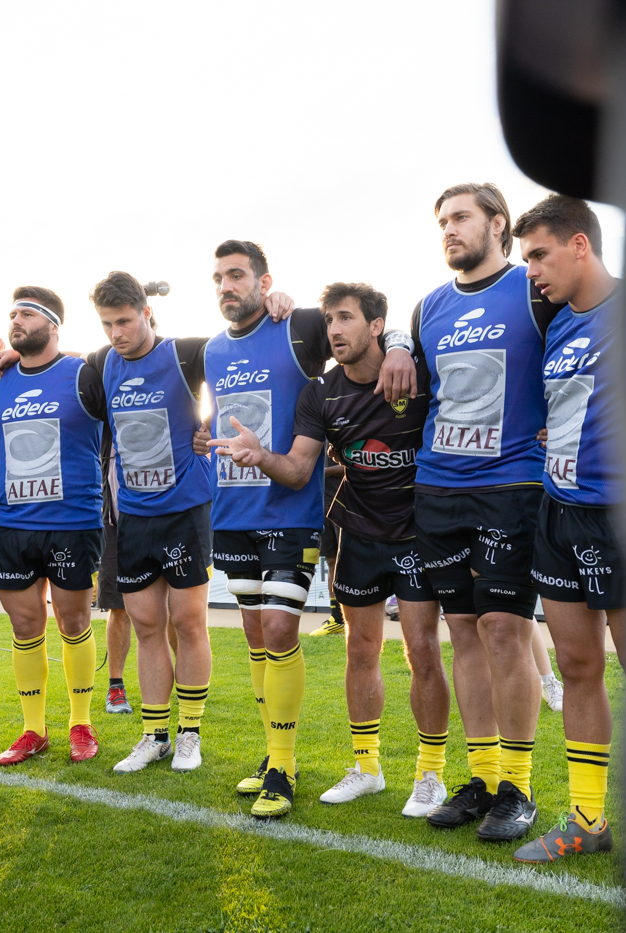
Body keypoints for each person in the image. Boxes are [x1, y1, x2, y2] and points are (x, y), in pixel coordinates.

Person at [211, 282, 454, 818]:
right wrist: (260, 456)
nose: (335, 330)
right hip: (358, 534)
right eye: (329, 321)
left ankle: (430, 774)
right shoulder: (320, 393)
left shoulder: (416, 374)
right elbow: (299, 471)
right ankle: (366, 766)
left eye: (346, 318)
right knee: (360, 650)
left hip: (417, 535)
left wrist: (400, 347)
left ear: (374, 326)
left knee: (422, 650)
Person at [409, 183, 566, 843]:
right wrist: (393, 339)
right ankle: (481, 775)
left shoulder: (533, 291)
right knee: (464, 633)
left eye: (461, 217)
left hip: (513, 487)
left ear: (497, 224)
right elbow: (414, 379)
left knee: (506, 630)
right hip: (438, 488)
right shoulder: (427, 309)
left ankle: (519, 788)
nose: (449, 229)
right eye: (442, 220)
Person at [507, 195, 626, 864]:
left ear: (580, 244)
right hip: (558, 513)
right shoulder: (556, 323)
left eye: (539, 254)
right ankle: (588, 817)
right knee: (579, 665)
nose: (531, 270)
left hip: (623, 516)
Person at [85, 271, 217, 773]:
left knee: (187, 621)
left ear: (146, 312)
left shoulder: (186, 353)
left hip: (185, 508)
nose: (117, 332)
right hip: (133, 514)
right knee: (145, 625)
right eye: (106, 324)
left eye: (124, 320)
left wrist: (214, 426)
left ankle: (189, 734)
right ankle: (154, 734)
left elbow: (239, 367)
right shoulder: (102, 365)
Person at [0, 288, 106, 766]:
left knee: (73, 623)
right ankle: (33, 730)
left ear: (53, 325)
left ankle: (81, 723)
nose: (15, 320)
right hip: (12, 523)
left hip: (72, 522)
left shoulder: (83, 373)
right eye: (11, 314)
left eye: (26, 314)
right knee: (24, 626)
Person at [96, 436, 134, 714]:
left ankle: (185, 682)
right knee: (118, 607)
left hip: (164, 521)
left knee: (171, 608)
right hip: (114, 525)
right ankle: (115, 686)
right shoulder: (104, 420)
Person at [307, 456, 347, 636]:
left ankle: (352, 616)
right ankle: (337, 618)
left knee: (347, 559)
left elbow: (361, 466)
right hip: (321, 503)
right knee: (331, 560)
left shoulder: (345, 431)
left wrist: (326, 472)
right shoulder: (313, 435)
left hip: (345, 502)